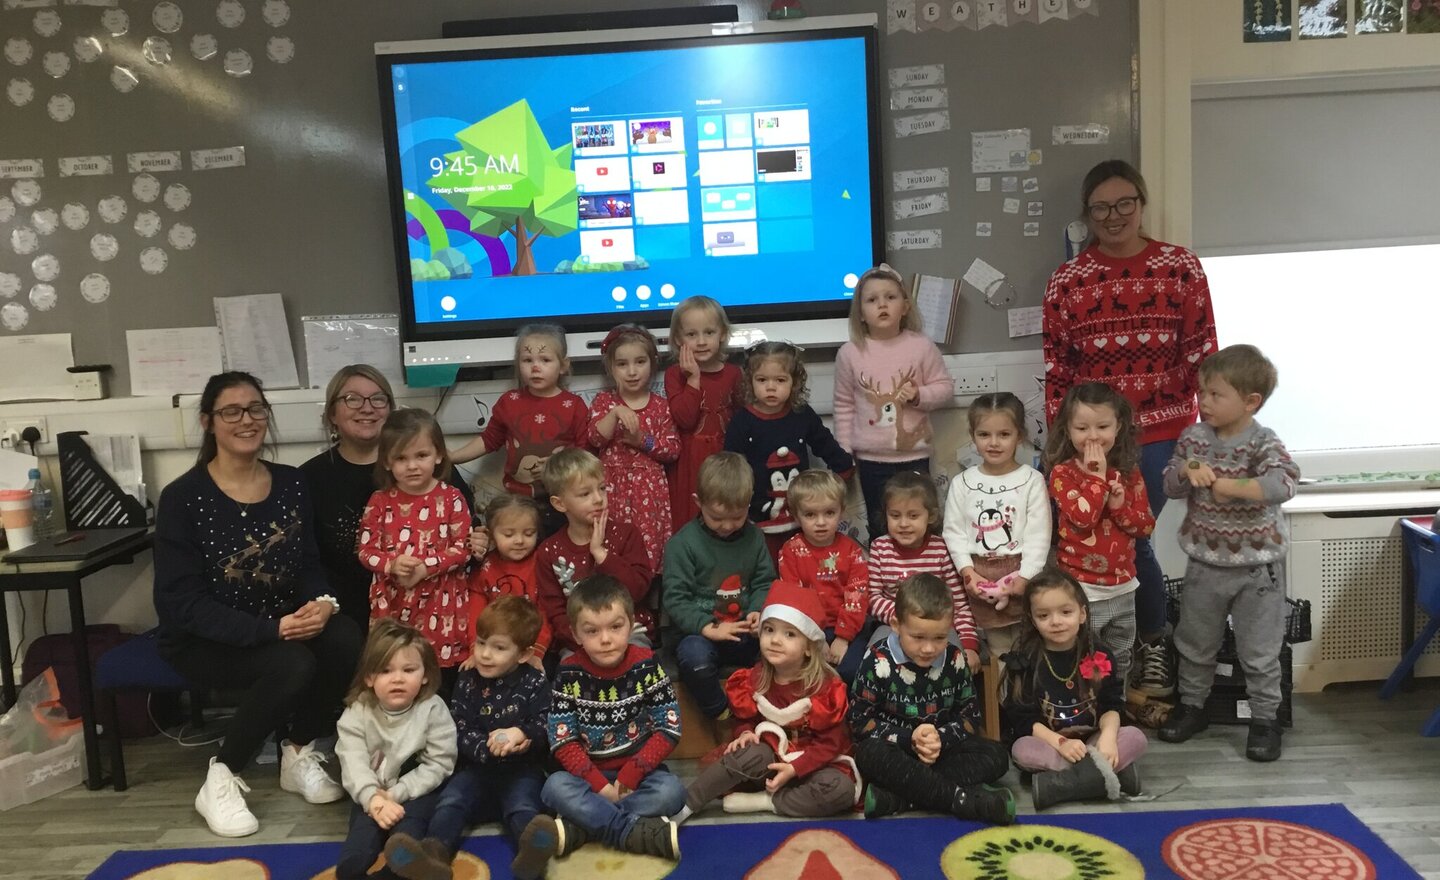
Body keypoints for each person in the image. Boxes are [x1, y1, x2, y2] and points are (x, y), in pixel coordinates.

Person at [154, 371, 360, 837]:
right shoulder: (182, 498)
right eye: (231, 411)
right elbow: (182, 603)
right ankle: (222, 774)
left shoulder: (290, 483)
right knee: (291, 664)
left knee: (345, 636)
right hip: (204, 640)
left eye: (255, 409)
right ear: (208, 422)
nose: (246, 420)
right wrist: (273, 631)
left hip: (280, 624)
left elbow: (308, 563)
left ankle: (297, 751)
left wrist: (322, 603)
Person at [1042, 159, 1218, 699]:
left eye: (1124, 204)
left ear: (1141, 204)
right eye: (1101, 207)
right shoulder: (1069, 281)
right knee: (1078, 539)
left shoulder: (1179, 268)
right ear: (1087, 214)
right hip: (1089, 436)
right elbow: (1057, 367)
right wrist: (1058, 443)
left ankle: (1150, 644)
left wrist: (1209, 435)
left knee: (1134, 538)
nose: (1113, 216)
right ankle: (1094, 649)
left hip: (1162, 431)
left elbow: (1201, 352)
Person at [1158, 345, 1300, 762]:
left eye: (1216, 394)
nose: (1204, 401)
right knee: (1195, 643)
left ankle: (1264, 720)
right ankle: (1194, 708)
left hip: (1257, 570)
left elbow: (1283, 484)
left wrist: (1228, 486)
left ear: (1250, 401)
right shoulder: (1194, 438)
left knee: (1259, 650)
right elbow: (1170, 484)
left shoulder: (1263, 442)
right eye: (1202, 392)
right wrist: (1186, 470)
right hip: (1204, 563)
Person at [515, 575, 685, 872]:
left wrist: (629, 776)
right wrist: (599, 785)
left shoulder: (647, 664)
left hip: (637, 774)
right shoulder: (568, 672)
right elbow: (561, 739)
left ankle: (579, 829)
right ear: (576, 635)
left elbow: (668, 728)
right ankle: (630, 831)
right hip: (588, 777)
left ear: (631, 625)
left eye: (615, 627)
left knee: (672, 791)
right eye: (592, 631)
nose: (605, 639)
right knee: (553, 788)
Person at [383, 597, 551, 880]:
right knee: (451, 800)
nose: (485, 654)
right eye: (481, 643)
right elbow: (457, 725)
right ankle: (433, 855)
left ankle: (532, 854)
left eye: (498, 648)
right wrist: (485, 747)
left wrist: (523, 735)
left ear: (523, 654)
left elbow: (546, 723)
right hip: (476, 767)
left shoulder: (534, 682)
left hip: (521, 769)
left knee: (522, 805)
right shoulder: (468, 679)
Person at [301, 365, 475, 633]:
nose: (367, 408)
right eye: (352, 399)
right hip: (356, 611)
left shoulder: (439, 480)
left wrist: (481, 540)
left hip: (437, 607)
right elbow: (308, 560)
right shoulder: (311, 478)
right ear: (332, 413)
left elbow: (466, 540)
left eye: (377, 399)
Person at [675, 580, 860, 821]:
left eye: (789, 634)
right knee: (749, 753)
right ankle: (687, 806)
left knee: (840, 789)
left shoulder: (824, 688)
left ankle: (766, 801)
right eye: (769, 630)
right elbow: (745, 718)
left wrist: (795, 768)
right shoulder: (755, 678)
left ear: (808, 648)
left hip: (813, 765)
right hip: (769, 759)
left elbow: (831, 744)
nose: (774, 640)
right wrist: (744, 733)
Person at [849, 573, 1015, 823]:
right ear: (896, 625)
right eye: (917, 637)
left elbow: (970, 717)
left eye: (939, 638)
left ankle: (900, 799)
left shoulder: (955, 659)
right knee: (868, 754)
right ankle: (962, 800)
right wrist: (909, 739)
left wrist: (941, 737)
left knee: (997, 756)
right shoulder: (876, 661)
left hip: (941, 751)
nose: (928, 649)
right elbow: (859, 723)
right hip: (897, 751)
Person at [1001, 568, 1146, 810]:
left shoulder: (1099, 654)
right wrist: (1060, 743)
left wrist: (1109, 740)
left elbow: (1112, 704)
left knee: (1135, 738)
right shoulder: (1025, 660)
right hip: (1053, 743)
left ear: (1082, 614)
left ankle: (1061, 785)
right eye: (1044, 615)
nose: (1056, 621)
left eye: (1066, 612)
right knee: (1022, 750)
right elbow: (1024, 720)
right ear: (1033, 619)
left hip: (1094, 739)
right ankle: (1109, 776)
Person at [1045, 382, 1157, 688]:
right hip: (1082, 590)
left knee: (1120, 657)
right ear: (1068, 430)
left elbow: (1145, 526)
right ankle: (1086, 710)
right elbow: (1082, 519)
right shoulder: (1062, 474)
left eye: (1103, 426)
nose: (1093, 436)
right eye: (1082, 428)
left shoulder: (1130, 473)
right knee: (1086, 657)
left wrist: (1120, 507)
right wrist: (1096, 478)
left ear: (1119, 427)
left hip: (1123, 587)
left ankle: (1115, 710)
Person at [833, 264, 954, 543]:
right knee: (881, 528)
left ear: (906, 306)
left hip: (914, 457)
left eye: (890, 297)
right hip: (871, 460)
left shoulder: (921, 346)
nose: (882, 305)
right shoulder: (850, 353)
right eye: (872, 300)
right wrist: (844, 452)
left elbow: (945, 388)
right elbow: (843, 405)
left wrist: (918, 395)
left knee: (919, 525)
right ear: (860, 313)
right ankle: (884, 581)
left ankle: (922, 582)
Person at [358, 409, 474, 688]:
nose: (412, 466)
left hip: (441, 602)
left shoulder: (452, 497)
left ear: (438, 455)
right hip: (394, 604)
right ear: (387, 461)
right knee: (398, 670)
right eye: (401, 458)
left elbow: (463, 548)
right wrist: (391, 564)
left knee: (438, 676)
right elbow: (365, 549)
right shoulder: (379, 501)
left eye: (421, 456)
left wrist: (427, 566)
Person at [334, 619, 457, 880]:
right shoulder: (358, 711)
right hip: (371, 795)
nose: (398, 679)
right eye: (386, 671)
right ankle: (352, 870)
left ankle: (397, 874)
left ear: (425, 674)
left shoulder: (433, 709)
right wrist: (374, 799)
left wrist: (398, 793)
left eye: (409, 669)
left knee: (409, 835)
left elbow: (439, 763)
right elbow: (352, 761)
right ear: (369, 677)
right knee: (360, 842)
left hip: (415, 793)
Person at [662, 451, 775, 719]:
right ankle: (722, 713)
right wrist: (708, 627)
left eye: (737, 518)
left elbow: (765, 581)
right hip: (701, 635)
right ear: (697, 502)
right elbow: (676, 599)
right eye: (717, 517)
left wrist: (759, 611)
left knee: (785, 649)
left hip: (745, 631)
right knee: (695, 659)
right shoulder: (682, 544)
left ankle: (765, 709)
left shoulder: (755, 537)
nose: (727, 526)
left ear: (749, 504)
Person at [942, 392, 1051, 664]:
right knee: (999, 651)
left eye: (1004, 434)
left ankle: (1031, 702)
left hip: (1024, 574)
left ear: (1020, 435)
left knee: (1034, 646)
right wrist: (968, 574)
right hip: (981, 577)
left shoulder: (1031, 480)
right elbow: (953, 533)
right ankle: (1004, 705)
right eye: (984, 434)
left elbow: (1039, 534)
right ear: (973, 435)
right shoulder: (962, 482)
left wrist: (1024, 578)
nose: (993, 443)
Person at [725, 340, 854, 560]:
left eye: (780, 380)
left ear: (794, 383)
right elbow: (731, 468)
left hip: (803, 518)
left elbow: (826, 444)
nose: (771, 387)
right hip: (759, 519)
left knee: (803, 566)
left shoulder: (802, 415)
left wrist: (843, 471)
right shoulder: (742, 422)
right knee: (768, 569)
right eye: (762, 380)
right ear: (750, 382)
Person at [449, 324, 587, 507]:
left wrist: (557, 467)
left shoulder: (575, 406)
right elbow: (488, 440)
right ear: (518, 363)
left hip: (565, 498)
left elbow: (586, 453)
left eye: (545, 360)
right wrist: (453, 456)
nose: (536, 367)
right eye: (527, 360)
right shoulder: (509, 402)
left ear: (563, 365)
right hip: (518, 500)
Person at [534, 448, 654, 657]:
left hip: (629, 633)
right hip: (578, 640)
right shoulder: (548, 551)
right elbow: (555, 611)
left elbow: (637, 591)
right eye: (585, 493)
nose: (598, 499)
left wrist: (602, 555)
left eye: (602, 488)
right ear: (559, 503)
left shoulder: (626, 534)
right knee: (569, 668)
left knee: (639, 660)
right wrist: (584, 639)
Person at [587, 324, 680, 570]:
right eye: (622, 364)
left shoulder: (661, 406)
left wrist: (643, 441)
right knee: (614, 549)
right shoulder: (604, 401)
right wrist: (616, 413)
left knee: (648, 554)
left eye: (640, 362)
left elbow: (672, 450)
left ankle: (647, 602)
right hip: (613, 490)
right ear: (610, 367)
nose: (632, 371)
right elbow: (595, 439)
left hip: (649, 496)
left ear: (652, 363)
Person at [868, 472, 979, 672]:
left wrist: (969, 645)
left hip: (937, 628)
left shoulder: (941, 549)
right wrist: (906, 620)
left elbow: (959, 604)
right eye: (895, 515)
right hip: (893, 625)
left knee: (957, 656)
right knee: (873, 657)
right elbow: (873, 598)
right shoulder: (879, 547)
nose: (903, 524)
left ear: (931, 516)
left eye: (913, 515)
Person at [777, 469, 871, 682]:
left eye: (829, 513)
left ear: (841, 511)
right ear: (796, 514)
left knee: (850, 671)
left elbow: (857, 597)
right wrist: (815, 639)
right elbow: (794, 600)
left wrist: (843, 638)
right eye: (810, 514)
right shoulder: (791, 550)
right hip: (806, 629)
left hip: (847, 628)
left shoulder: (851, 551)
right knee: (798, 669)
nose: (821, 522)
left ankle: (847, 712)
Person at [665, 295, 744, 531]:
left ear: (722, 334)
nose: (701, 341)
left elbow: (741, 422)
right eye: (692, 334)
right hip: (689, 461)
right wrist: (694, 379)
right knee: (689, 521)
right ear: (679, 339)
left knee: (723, 515)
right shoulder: (674, 374)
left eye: (709, 332)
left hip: (724, 458)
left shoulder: (734, 374)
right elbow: (685, 419)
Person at [468, 494, 549, 664]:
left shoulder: (543, 564)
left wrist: (537, 651)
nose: (519, 541)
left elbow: (546, 612)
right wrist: (475, 649)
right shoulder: (485, 568)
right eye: (508, 534)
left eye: (528, 533)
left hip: (531, 648)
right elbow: (475, 614)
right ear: (491, 535)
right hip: (492, 650)